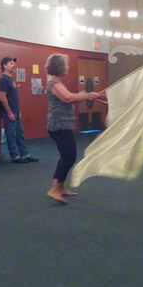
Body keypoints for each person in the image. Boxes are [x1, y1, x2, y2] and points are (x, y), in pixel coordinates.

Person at [45, 54, 100, 204]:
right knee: (69, 156)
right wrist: (86, 96)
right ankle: (54, 188)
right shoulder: (54, 84)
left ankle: (60, 187)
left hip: (62, 124)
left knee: (67, 155)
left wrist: (82, 96)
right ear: (59, 66)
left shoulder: (57, 83)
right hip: (59, 125)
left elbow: (68, 98)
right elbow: (68, 98)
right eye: (66, 65)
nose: (68, 67)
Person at [0, 57, 39, 163]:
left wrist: (18, 110)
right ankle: (15, 156)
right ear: (4, 66)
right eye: (11, 63)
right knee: (11, 134)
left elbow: (14, 97)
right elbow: (2, 96)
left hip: (15, 111)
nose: (13, 65)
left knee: (20, 133)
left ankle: (25, 155)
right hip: (9, 112)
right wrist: (9, 112)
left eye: (13, 63)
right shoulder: (3, 79)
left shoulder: (11, 79)